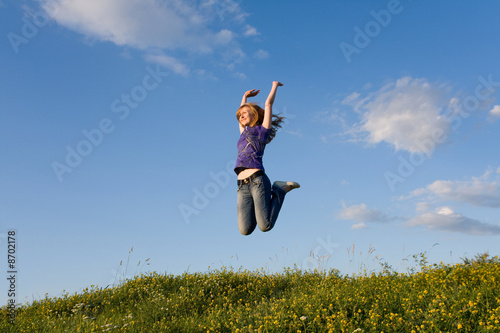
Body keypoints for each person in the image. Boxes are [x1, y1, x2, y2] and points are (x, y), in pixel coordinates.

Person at [235, 81, 300, 235]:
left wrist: (274, 86)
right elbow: (239, 116)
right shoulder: (243, 133)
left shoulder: (262, 132)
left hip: (258, 181)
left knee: (265, 225)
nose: (241, 116)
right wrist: (244, 97)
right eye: (240, 114)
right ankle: (277, 190)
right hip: (241, 186)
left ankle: (279, 190)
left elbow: (268, 104)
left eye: (245, 113)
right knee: (245, 230)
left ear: (254, 114)